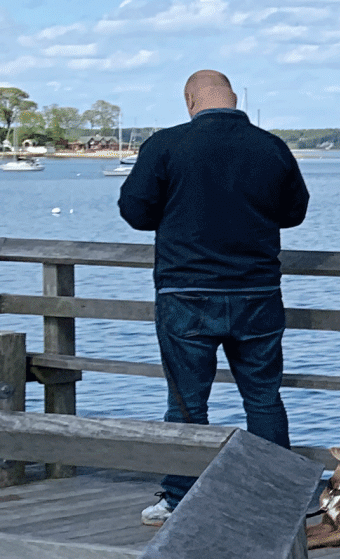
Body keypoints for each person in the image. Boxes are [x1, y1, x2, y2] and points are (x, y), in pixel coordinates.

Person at [118, 69, 311, 524]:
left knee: (187, 402)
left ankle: (180, 497)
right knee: (263, 398)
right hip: (257, 291)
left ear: (190, 100)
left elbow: (135, 211)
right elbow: (294, 212)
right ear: (235, 98)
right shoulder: (271, 147)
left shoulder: (165, 145)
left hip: (186, 290)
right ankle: (279, 496)